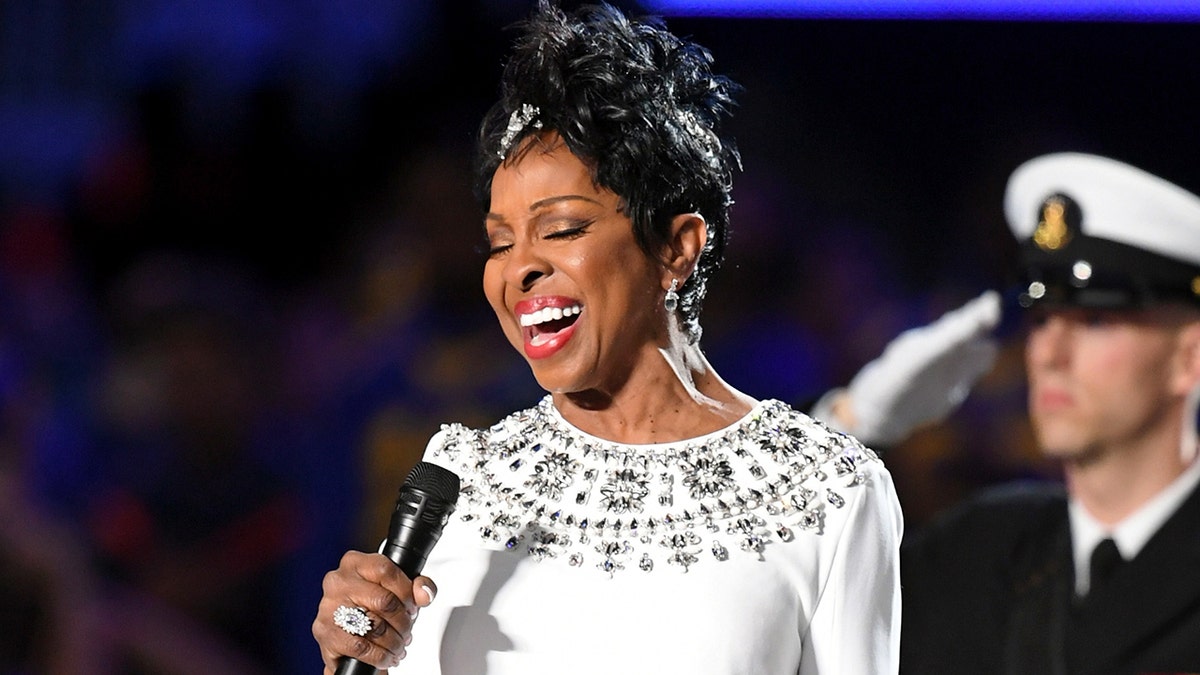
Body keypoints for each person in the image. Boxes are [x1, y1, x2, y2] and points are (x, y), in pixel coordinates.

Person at [310, 2, 903, 673]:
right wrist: (353, 651)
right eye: (501, 242)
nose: (519, 267)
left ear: (677, 248)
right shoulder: (460, 479)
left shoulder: (824, 487)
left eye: (561, 228)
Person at [835, 151, 1200, 673]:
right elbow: (759, 621)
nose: (1049, 355)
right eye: (1043, 318)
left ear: (1190, 357)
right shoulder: (978, 552)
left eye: (1094, 321)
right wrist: (844, 429)